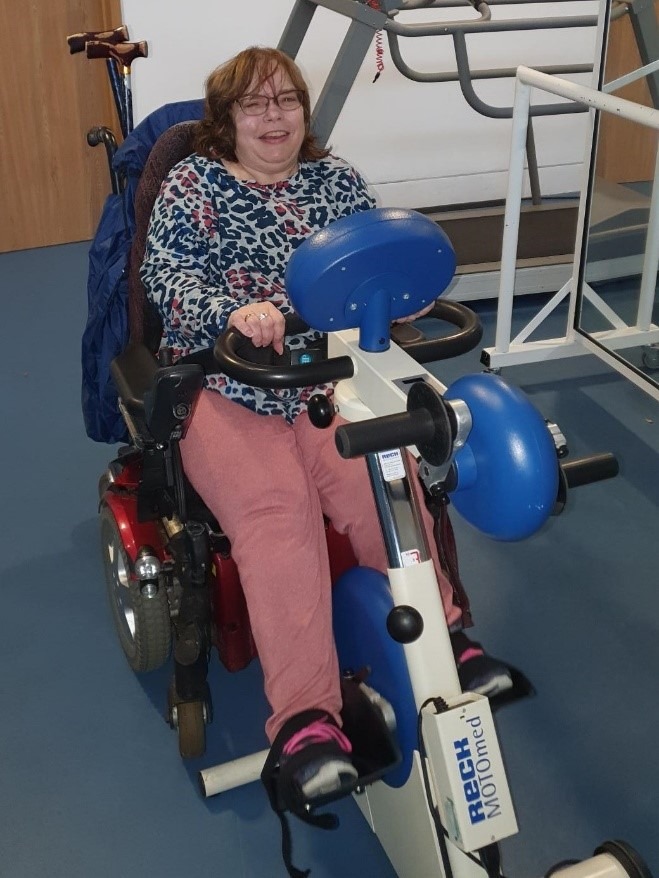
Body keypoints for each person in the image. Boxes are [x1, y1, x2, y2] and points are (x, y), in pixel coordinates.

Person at [141, 46, 513, 809]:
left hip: (322, 372)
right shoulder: (195, 183)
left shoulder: (335, 180)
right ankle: (305, 720)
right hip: (225, 382)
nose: (273, 118)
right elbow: (166, 279)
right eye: (253, 105)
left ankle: (446, 637)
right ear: (226, 120)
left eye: (286, 102)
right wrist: (232, 315)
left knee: (381, 478)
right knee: (276, 519)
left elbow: (374, 262)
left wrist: (396, 295)